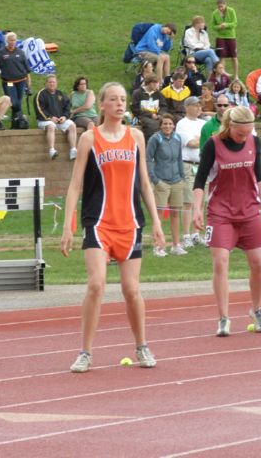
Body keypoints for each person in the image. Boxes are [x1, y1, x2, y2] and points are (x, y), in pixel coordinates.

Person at [61, 82, 165, 373]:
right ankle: (85, 352)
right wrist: (68, 226)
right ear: (102, 105)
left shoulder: (136, 137)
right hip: (98, 223)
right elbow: (75, 185)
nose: (120, 104)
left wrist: (156, 221)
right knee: (96, 285)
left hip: (130, 224)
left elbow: (144, 181)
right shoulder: (89, 139)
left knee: (131, 289)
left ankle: (142, 345)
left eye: (122, 99)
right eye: (113, 100)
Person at [193, 106, 261, 336]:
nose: (244, 137)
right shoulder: (213, 145)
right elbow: (200, 180)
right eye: (240, 134)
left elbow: (258, 176)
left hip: (249, 210)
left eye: (248, 133)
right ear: (230, 127)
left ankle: (257, 310)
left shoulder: (254, 142)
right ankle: (223, 317)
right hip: (221, 212)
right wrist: (197, 210)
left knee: (258, 262)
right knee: (220, 262)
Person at [146, 113, 186, 255]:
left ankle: (176, 245)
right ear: (160, 125)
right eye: (165, 124)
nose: (167, 126)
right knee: (159, 214)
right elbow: (148, 159)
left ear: (174, 125)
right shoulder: (155, 139)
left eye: (170, 124)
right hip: (161, 181)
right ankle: (158, 246)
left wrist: (182, 177)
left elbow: (180, 158)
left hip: (177, 181)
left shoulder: (177, 138)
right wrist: (155, 180)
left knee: (176, 214)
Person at [175, 97, 206, 249]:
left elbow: (210, 141)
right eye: (195, 105)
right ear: (187, 107)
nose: (198, 108)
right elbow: (192, 144)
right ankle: (186, 235)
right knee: (188, 201)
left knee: (201, 201)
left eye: (200, 105)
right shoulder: (182, 124)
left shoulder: (203, 123)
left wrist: (200, 139)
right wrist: (203, 139)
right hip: (188, 164)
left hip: (202, 165)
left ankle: (196, 233)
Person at [34, 75, 78, 159]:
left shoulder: (60, 94)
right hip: (44, 120)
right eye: (50, 82)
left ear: (56, 83)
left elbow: (68, 107)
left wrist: (64, 117)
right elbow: (39, 109)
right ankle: (52, 151)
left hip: (59, 120)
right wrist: (49, 118)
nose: (52, 84)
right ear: (46, 83)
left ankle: (73, 150)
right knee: (51, 126)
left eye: (53, 82)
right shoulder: (40, 94)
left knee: (72, 125)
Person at [0, 32, 31, 120]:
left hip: (21, 81)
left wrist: (29, 86)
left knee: (19, 100)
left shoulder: (20, 52)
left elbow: (27, 70)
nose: (12, 42)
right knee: (13, 100)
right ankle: (20, 116)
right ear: (6, 41)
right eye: (10, 40)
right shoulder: (1, 52)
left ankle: (15, 118)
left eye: (14, 40)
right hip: (8, 82)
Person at [211, 0, 239, 80]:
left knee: (234, 56)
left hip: (231, 37)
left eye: (222, 6)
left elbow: (235, 23)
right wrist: (219, 27)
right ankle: (223, 74)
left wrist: (226, 25)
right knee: (222, 56)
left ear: (225, 4)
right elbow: (213, 26)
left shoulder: (231, 11)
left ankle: (236, 75)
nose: (220, 8)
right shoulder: (215, 13)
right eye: (219, 7)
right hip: (220, 37)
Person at [131, 74, 164, 141]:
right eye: (155, 83)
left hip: (157, 115)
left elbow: (164, 106)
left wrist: (160, 114)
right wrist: (150, 115)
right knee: (152, 125)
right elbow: (135, 108)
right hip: (143, 116)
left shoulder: (158, 94)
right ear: (148, 83)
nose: (157, 85)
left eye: (158, 83)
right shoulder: (137, 93)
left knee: (167, 123)